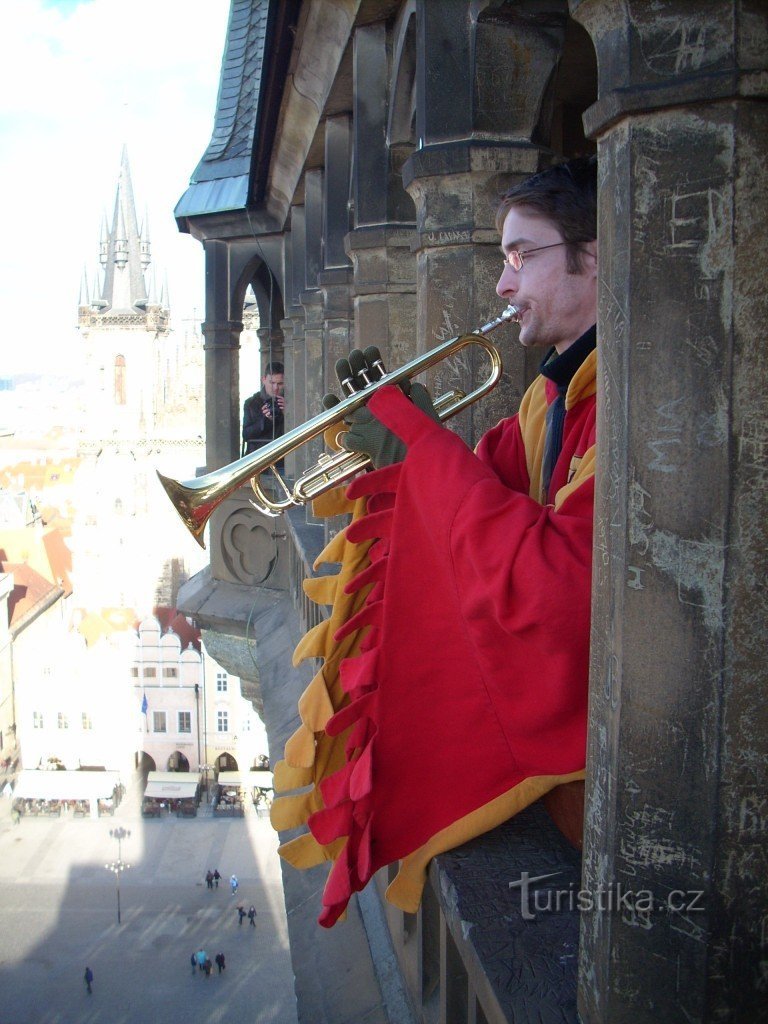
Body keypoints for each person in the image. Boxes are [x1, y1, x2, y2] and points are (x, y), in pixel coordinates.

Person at [278, 156, 599, 928]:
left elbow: (556, 591)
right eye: (501, 258)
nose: (502, 283)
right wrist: (404, 438)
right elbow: (468, 505)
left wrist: (415, 450)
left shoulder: (628, 403)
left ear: (596, 258)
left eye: (523, 254)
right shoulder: (544, 396)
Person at [242, 362, 286, 454]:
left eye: (280, 383)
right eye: (272, 383)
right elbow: (246, 435)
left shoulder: (292, 402)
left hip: (285, 458)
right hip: (259, 458)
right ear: (263, 380)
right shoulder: (251, 403)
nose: (275, 388)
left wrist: (288, 413)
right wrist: (266, 421)